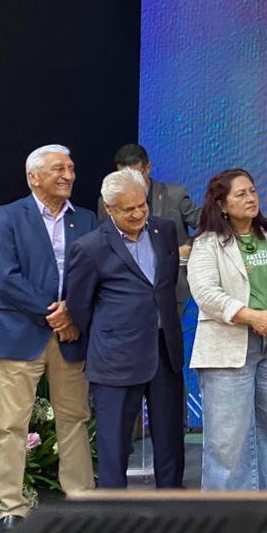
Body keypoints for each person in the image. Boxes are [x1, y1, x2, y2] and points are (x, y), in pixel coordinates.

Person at [0, 144, 97, 533]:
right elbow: (5, 277)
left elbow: (94, 274)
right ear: (34, 177)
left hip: (70, 335)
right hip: (19, 333)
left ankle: (81, 501)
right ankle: (11, 508)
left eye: (71, 168)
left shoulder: (86, 219)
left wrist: (73, 313)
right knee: (12, 424)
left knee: (75, 420)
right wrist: (55, 312)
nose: (68, 175)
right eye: (58, 169)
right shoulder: (8, 216)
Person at [66, 168, 185, 489]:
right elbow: (79, 306)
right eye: (128, 209)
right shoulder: (90, 247)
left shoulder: (164, 230)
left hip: (164, 350)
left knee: (170, 437)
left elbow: (166, 285)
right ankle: (114, 510)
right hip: (115, 359)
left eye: (142, 205)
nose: (138, 213)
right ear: (109, 209)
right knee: (115, 445)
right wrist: (112, 334)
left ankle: (173, 504)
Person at [187, 169, 267, 489]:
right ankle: (228, 512)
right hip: (228, 345)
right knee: (227, 438)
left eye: (253, 191)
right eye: (241, 194)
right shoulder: (207, 243)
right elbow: (206, 293)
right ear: (221, 204)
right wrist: (252, 317)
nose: (251, 198)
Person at [97, 143, 201, 313]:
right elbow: (105, 243)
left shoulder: (174, 195)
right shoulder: (108, 202)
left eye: (136, 175)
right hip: (127, 293)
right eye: (123, 176)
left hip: (173, 291)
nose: (130, 182)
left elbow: (209, 224)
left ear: (148, 168)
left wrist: (187, 248)